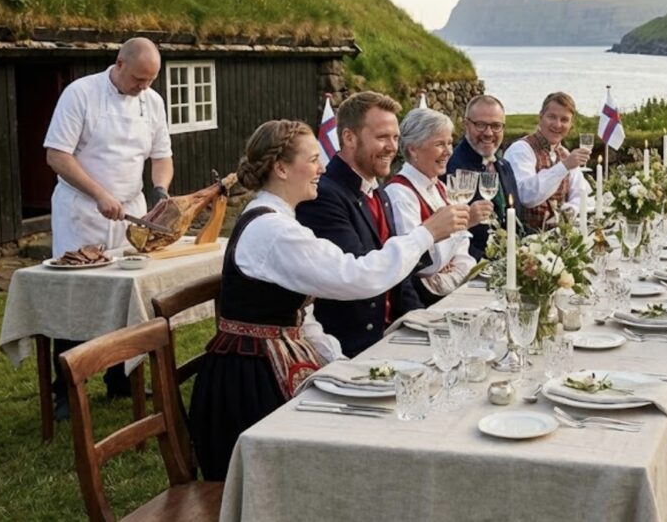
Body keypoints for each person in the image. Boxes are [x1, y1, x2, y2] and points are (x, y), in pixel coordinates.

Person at [189, 120, 469, 480]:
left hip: (267, 359)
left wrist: (336, 361)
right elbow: (356, 276)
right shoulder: (274, 230)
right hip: (249, 382)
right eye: (312, 159)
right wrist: (426, 234)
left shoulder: (277, 219)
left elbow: (300, 312)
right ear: (281, 168)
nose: (322, 167)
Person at [42, 37, 174, 418]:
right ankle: (66, 389)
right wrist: (99, 194)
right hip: (82, 210)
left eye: (150, 80)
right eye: (138, 79)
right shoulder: (80, 94)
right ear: (118, 64)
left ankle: (119, 379)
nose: (143, 88)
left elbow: (162, 156)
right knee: (76, 298)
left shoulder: (153, 101)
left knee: (124, 294)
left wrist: (161, 190)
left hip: (132, 211)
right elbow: (57, 155)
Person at [296, 91, 425, 357]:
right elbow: (362, 277)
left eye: (395, 137)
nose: (392, 147)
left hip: (393, 335)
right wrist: (430, 232)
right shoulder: (324, 196)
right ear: (349, 138)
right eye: (382, 137)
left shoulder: (377, 191)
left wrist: (423, 324)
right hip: (352, 349)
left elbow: (401, 278)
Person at [385, 108, 491, 305]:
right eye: (439, 144)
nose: (449, 151)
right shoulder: (400, 194)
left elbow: (462, 251)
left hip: (450, 294)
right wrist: (463, 225)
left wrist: (453, 277)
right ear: (413, 149)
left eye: (450, 143)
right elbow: (421, 264)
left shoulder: (440, 186)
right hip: (423, 302)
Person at [446, 95, 523, 260]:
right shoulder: (452, 167)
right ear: (466, 125)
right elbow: (448, 234)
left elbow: (515, 219)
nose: (488, 133)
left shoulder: (505, 166)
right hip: (473, 268)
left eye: (496, 126)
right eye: (480, 125)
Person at [503, 91, 592, 231]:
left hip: (560, 240)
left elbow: (581, 194)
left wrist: (569, 211)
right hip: (524, 240)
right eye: (552, 117)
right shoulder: (521, 150)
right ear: (541, 117)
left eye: (564, 120)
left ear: (570, 125)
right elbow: (527, 196)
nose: (557, 125)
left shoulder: (565, 153)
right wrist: (564, 167)